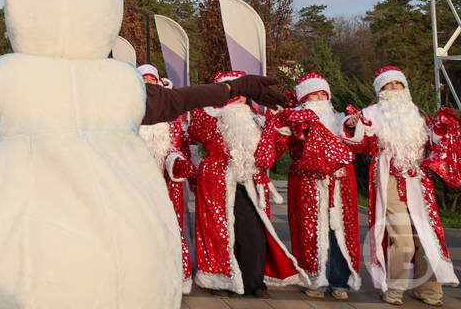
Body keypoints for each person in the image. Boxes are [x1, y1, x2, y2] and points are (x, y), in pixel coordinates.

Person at [0, 0, 287, 309]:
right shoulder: (122, 81)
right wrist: (236, 86)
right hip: (127, 249)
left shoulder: (8, 77)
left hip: (35, 253)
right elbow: (181, 100)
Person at [345, 66, 461, 306]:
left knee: (427, 235)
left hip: (418, 180)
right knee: (403, 238)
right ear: (380, 90)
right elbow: (359, 144)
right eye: (387, 85)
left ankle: (428, 289)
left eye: (397, 84)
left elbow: (433, 143)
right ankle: (395, 289)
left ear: (405, 87)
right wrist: (350, 124)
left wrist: (445, 130)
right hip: (388, 178)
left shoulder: (418, 115)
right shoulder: (371, 113)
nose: (393, 89)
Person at [187, 71, 305, 297]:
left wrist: (281, 132)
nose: (239, 97)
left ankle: (254, 282)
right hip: (218, 181)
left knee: (254, 233)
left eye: (244, 93)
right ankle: (219, 281)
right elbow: (197, 132)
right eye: (234, 92)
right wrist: (215, 106)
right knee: (218, 232)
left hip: (251, 182)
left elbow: (274, 151)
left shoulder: (258, 119)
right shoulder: (212, 117)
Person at [265, 73, 360, 300]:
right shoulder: (295, 118)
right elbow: (277, 149)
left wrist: (353, 127)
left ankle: (340, 281)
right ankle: (315, 280)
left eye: (322, 94)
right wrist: (280, 125)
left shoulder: (339, 119)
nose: (318, 98)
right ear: (304, 98)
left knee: (340, 231)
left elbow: (357, 145)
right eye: (313, 95)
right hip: (307, 183)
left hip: (340, 183)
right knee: (311, 231)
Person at [136, 66, 195, 294]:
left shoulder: (171, 116)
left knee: (171, 227)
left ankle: (175, 278)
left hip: (167, 182)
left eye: (153, 78)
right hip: (137, 183)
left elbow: (175, 147)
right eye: (145, 79)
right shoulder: (130, 114)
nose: (149, 82)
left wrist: (176, 161)